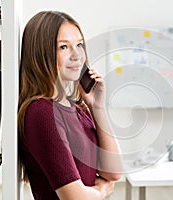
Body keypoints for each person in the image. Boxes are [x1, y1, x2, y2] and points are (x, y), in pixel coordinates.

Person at [17, 11, 122, 200]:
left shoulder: (79, 108)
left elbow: (113, 172)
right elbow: (74, 197)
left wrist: (97, 107)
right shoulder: (41, 112)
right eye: (64, 47)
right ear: (41, 54)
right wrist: (102, 191)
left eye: (79, 45)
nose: (77, 56)